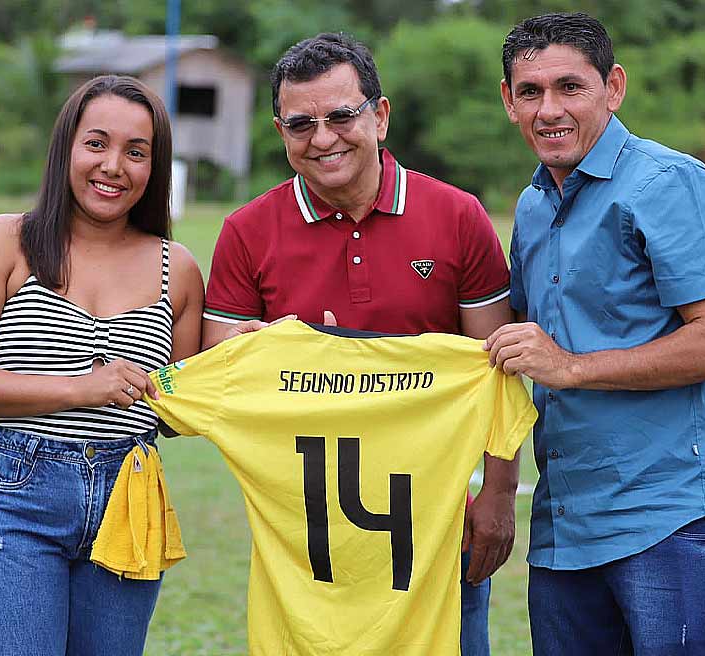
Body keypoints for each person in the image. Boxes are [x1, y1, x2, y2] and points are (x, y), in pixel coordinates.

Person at [201, 32, 517, 655]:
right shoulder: (246, 232)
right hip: (306, 543)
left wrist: (501, 495)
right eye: (301, 124)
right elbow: (221, 373)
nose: (322, 138)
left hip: (434, 535)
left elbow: (497, 370)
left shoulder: (457, 217)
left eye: (341, 115)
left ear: (380, 115)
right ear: (279, 130)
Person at [487, 12, 705, 656]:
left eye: (569, 87)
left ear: (614, 87)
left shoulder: (667, 183)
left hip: (670, 518)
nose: (548, 109)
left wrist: (572, 367)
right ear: (508, 101)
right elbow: (513, 347)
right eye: (531, 92)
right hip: (564, 525)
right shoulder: (531, 205)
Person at [0, 75, 204, 655]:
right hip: (23, 497)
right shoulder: (8, 240)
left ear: (155, 168)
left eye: (136, 152)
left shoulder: (175, 268)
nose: (113, 166)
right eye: (97, 143)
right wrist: (81, 388)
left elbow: (178, 414)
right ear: (67, 149)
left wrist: (242, 357)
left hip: (129, 501)